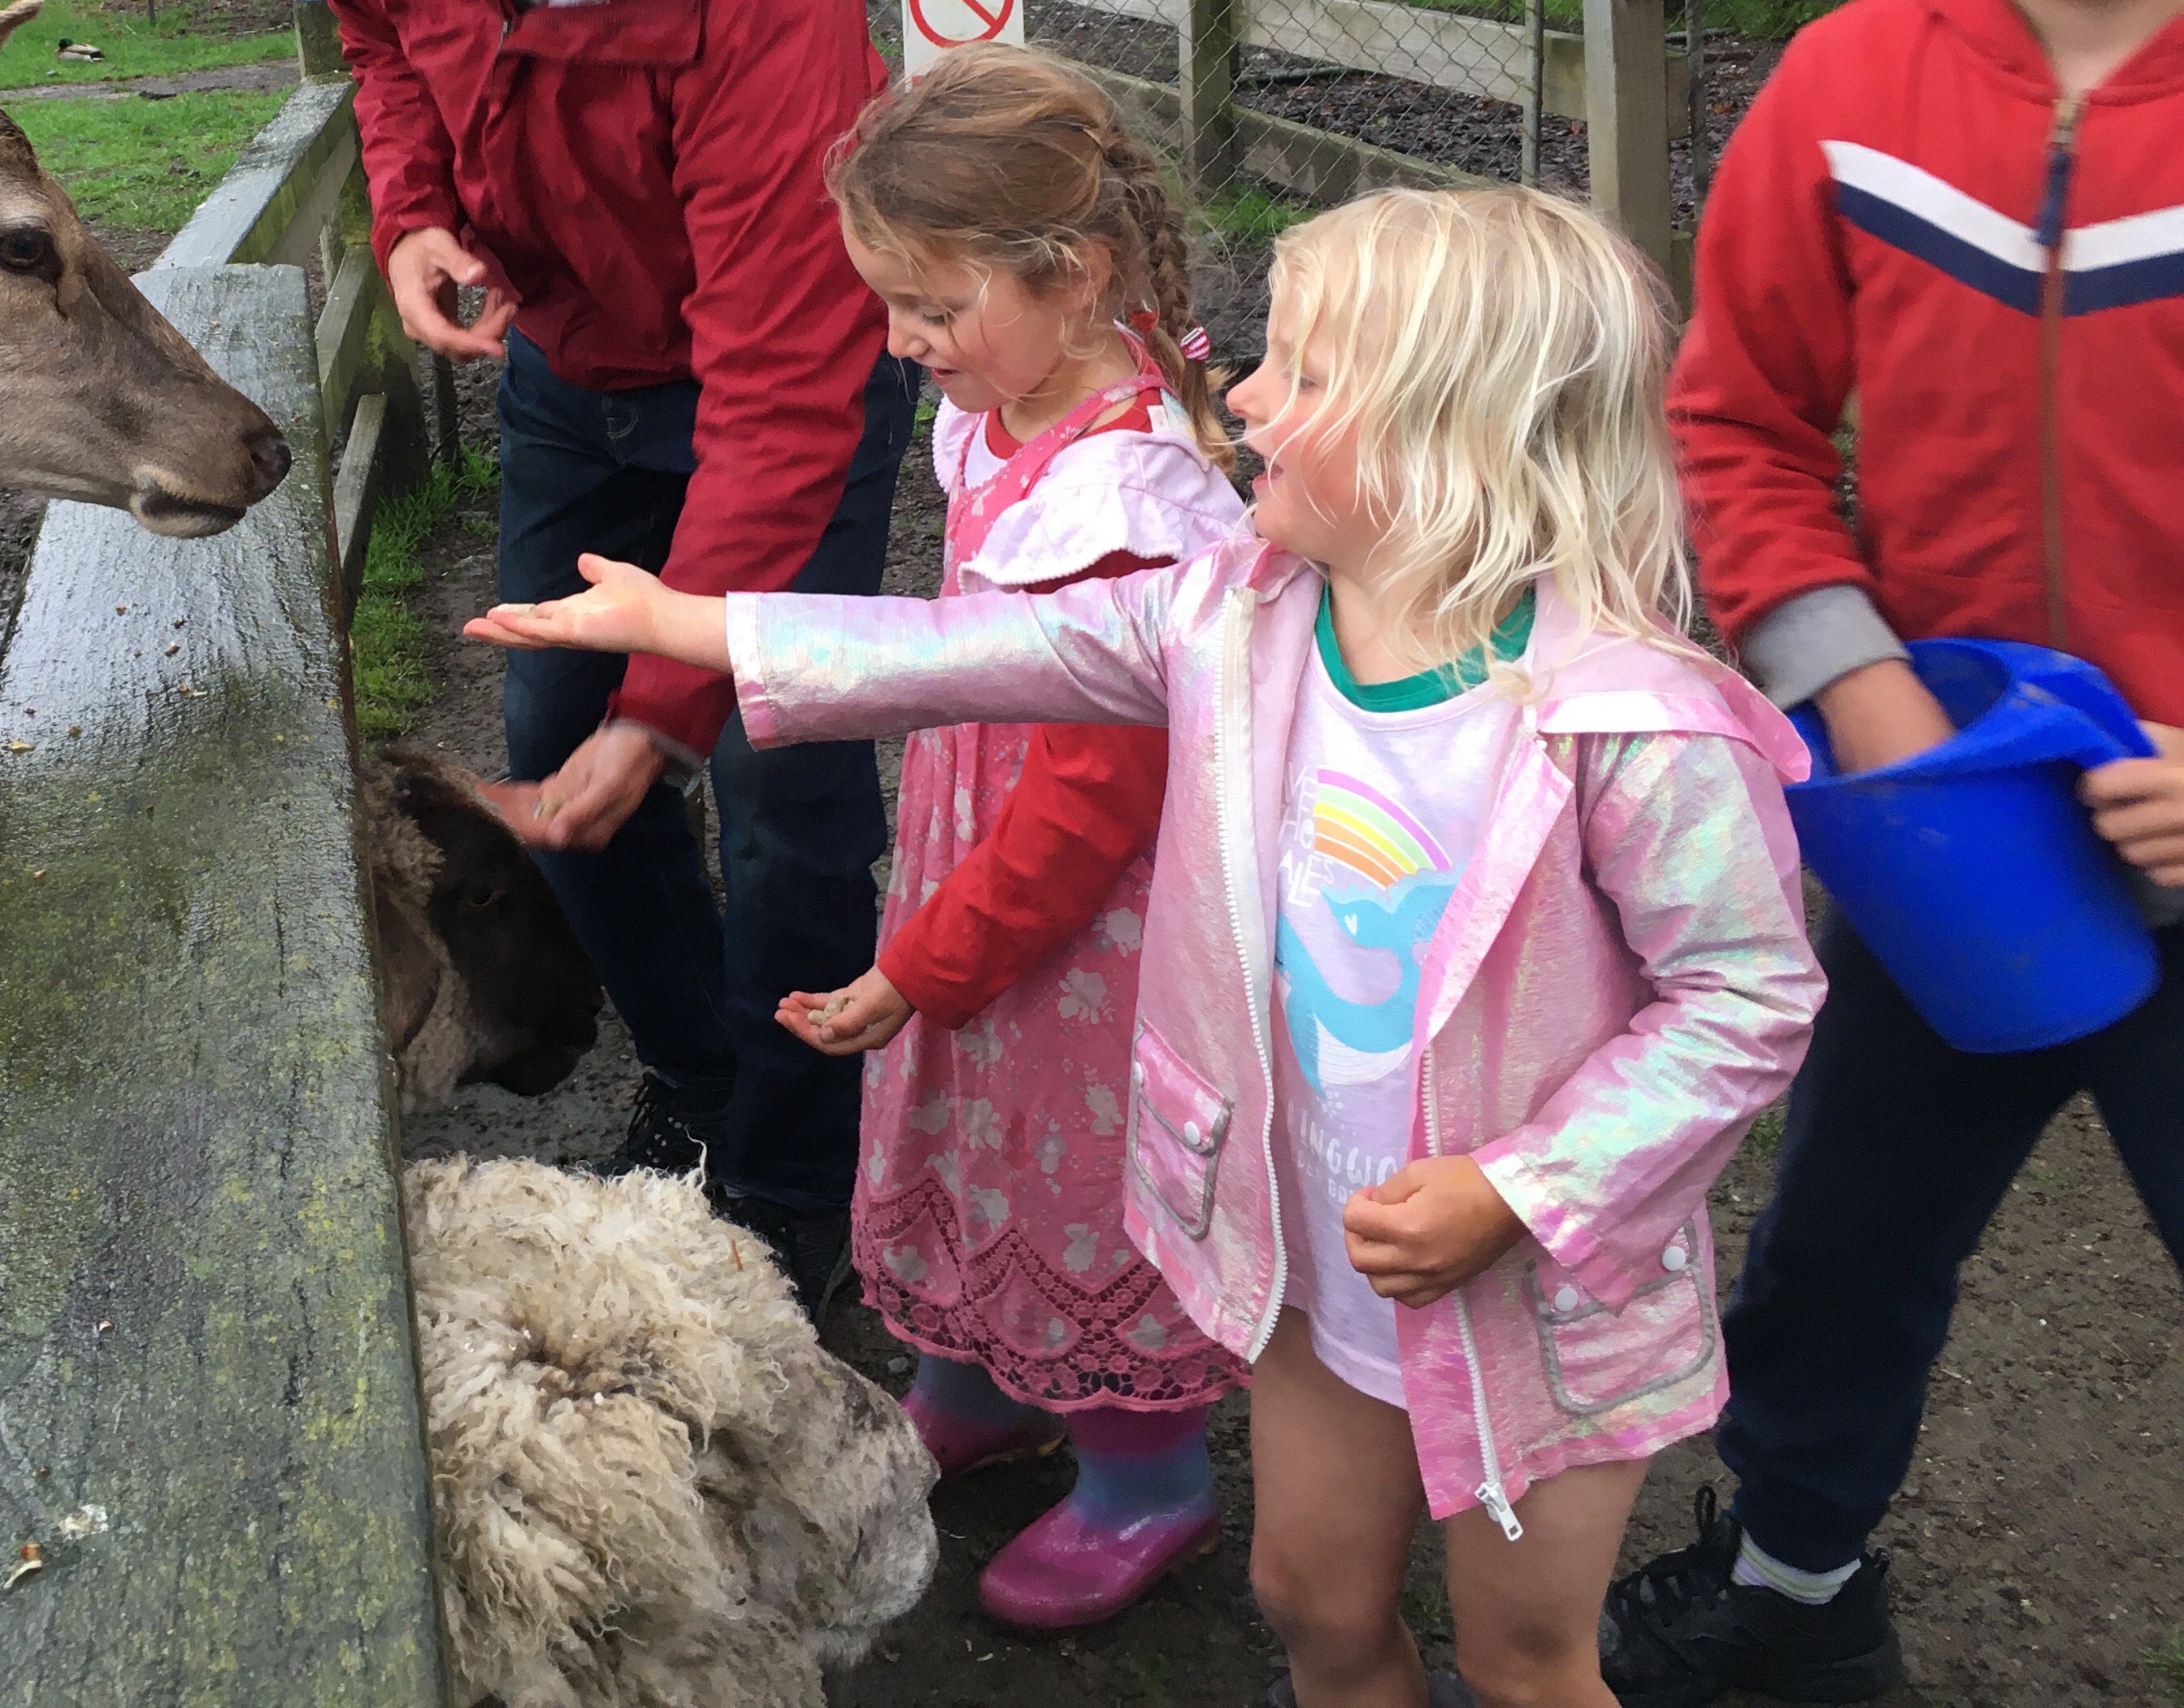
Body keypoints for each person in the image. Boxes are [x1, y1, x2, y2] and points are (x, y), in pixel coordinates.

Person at [472, 186, 1826, 1708]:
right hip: (1312, 1256)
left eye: (1303, 374)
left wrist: (1522, 1189)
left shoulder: (1632, 727)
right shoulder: (1240, 618)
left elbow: (1747, 998)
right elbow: (989, 647)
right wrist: (702, 627)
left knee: (1525, 1664)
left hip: (1536, 1299)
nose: (1242, 396)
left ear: (1457, 436)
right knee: (1311, 1602)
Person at [1606, 0, 2184, 1708]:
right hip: (1953, 841)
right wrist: (1859, 692)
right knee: (1840, 1243)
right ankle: (1793, 1596)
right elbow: (1736, 421)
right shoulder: (1845, 94)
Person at [310, 0, 909, 1306]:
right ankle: (707, 1078)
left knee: (781, 787)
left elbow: (782, 392)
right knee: (555, 732)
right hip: (573, 369)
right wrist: (415, 211)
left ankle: (794, 1193)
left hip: (778, 380)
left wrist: (673, 708)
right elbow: (379, 44)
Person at [760, 44, 1248, 1630]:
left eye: (930, 306)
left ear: (1076, 272)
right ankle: (976, 1378)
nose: (902, 344)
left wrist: (927, 960)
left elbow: (1092, 806)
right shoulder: (1013, 400)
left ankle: (1142, 1472)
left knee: (1082, 1170)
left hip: (1086, 926)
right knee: (976, 1129)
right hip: (984, 859)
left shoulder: (1129, 504)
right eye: (889, 305)